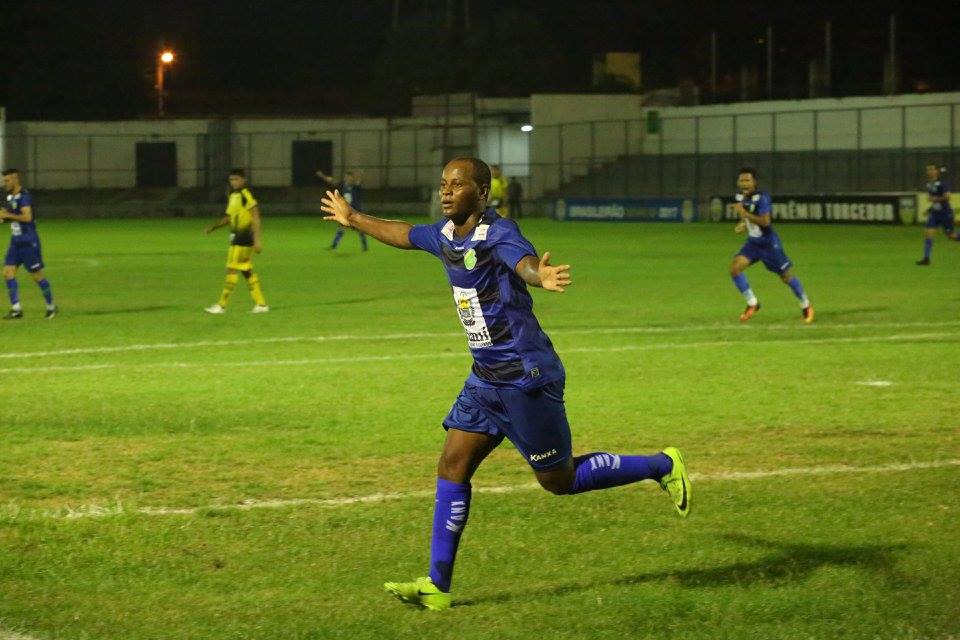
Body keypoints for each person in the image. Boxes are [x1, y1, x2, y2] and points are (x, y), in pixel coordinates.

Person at [320, 157, 691, 611]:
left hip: (525, 378)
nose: (446, 191)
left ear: (482, 193)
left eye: (458, 185)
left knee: (559, 480)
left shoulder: (498, 232)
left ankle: (661, 465)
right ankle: (437, 585)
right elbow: (405, 234)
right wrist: (354, 218)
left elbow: (524, 263)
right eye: (443, 184)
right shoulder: (444, 236)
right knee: (452, 465)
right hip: (485, 380)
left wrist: (541, 275)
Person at [729, 167, 814, 323]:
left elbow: (766, 222)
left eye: (747, 180)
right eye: (741, 180)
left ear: (755, 182)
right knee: (734, 269)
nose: (744, 183)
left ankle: (806, 304)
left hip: (769, 244)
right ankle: (753, 303)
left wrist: (744, 214)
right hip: (753, 244)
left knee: (786, 277)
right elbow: (747, 216)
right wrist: (743, 224)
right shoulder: (740, 197)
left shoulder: (763, 198)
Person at [203, 169, 268, 314]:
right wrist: (213, 227)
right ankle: (261, 304)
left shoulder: (246, 195)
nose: (234, 182)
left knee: (231, 269)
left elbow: (256, 216)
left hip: (244, 238)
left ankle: (221, 305)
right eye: (231, 179)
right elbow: (229, 217)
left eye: (236, 179)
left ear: (243, 180)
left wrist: (257, 239)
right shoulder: (233, 195)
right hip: (236, 237)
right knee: (246, 270)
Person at [1, 169, 57, 319]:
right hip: (15, 242)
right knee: (7, 272)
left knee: (37, 276)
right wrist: (3, 218)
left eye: (7, 181)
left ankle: (51, 306)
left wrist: (7, 215)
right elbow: (10, 216)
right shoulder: (9, 196)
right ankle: (16, 309)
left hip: (28, 242)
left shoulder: (24, 196)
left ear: (15, 179)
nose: (4, 183)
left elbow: (27, 217)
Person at [316, 169, 367, 251]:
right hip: (346, 212)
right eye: (347, 177)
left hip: (355, 212)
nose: (348, 179)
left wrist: (361, 175)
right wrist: (322, 176)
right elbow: (331, 180)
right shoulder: (343, 185)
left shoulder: (355, 187)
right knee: (341, 228)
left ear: (352, 178)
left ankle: (365, 246)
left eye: (350, 178)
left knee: (360, 229)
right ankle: (334, 246)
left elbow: (360, 181)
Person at [916, 164, 957, 265]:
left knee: (951, 235)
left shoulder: (943, 183)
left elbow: (947, 197)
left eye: (931, 169)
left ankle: (926, 258)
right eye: (928, 170)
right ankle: (926, 258)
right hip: (935, 214)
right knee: (928, 233)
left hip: (945, 213)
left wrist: (934, 199)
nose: (929, 171)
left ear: (936, 171)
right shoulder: (929, 184)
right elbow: (934, 201)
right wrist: (929, 209)